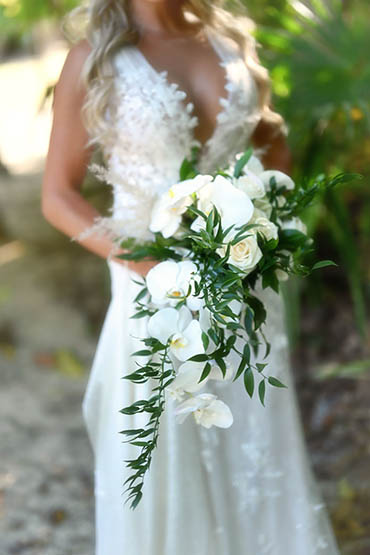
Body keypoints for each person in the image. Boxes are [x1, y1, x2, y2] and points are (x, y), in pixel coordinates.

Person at [41, 1, 340, 553]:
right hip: (154, 293)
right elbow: (57, 196)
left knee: (254, 444)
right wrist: (148, 264)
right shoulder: (95, 58)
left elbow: (271, 143)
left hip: (244, 283)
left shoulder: (230, 40)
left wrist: (264, 227)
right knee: (167, 455)